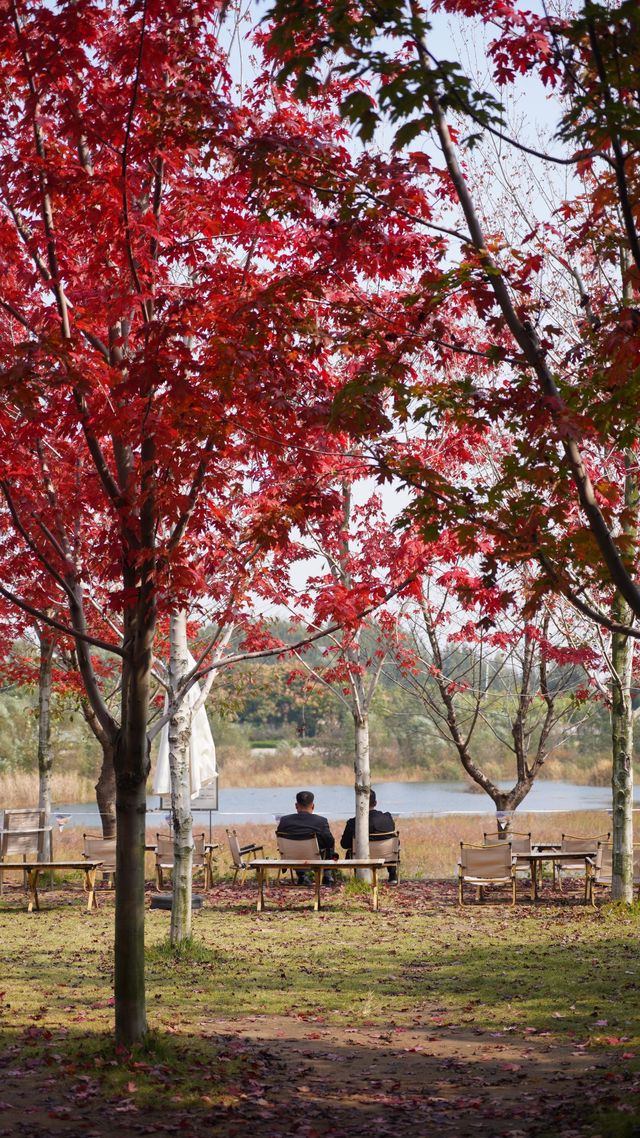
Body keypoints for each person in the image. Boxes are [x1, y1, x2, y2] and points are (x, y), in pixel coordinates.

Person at [276, 790, 336, 886]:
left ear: (296, 805)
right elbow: (330, 842)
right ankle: (327, 875)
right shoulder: (321, 821)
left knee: (296, 850)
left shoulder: (284, 821)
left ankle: (302, 876)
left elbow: (279, 843)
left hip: (290, 858)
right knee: (329, 848)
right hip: (315, 858)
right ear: (313, 806)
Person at [340, 789, 398, 884]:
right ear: (375, 802)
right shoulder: (387, 818)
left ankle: (359, 878)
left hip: (360, 859)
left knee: (353, 849)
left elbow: (344, 844)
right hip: (387, 857)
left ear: (359, 803)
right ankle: (392, 875)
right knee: (393, 843)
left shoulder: (353, 822)